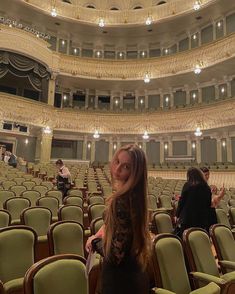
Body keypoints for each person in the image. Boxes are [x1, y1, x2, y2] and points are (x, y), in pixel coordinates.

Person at [85, 144, 151, 294]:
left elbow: (116, 255)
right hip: (137, 274)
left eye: (126, 166)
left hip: (119, 281)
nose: (118, 169)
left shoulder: (121, 200)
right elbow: (125, 229)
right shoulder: (137, 198)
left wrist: (94, 242)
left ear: (135, 172)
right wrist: (107, 228)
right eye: (117, 162)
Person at [176, 167, 212, 237]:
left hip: (187, 218)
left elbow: (182, 201)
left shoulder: (188, 185)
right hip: (201, 219)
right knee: (198, 238)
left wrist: (177, 215)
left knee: (186, 239)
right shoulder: (206, 187)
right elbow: (208, 204)